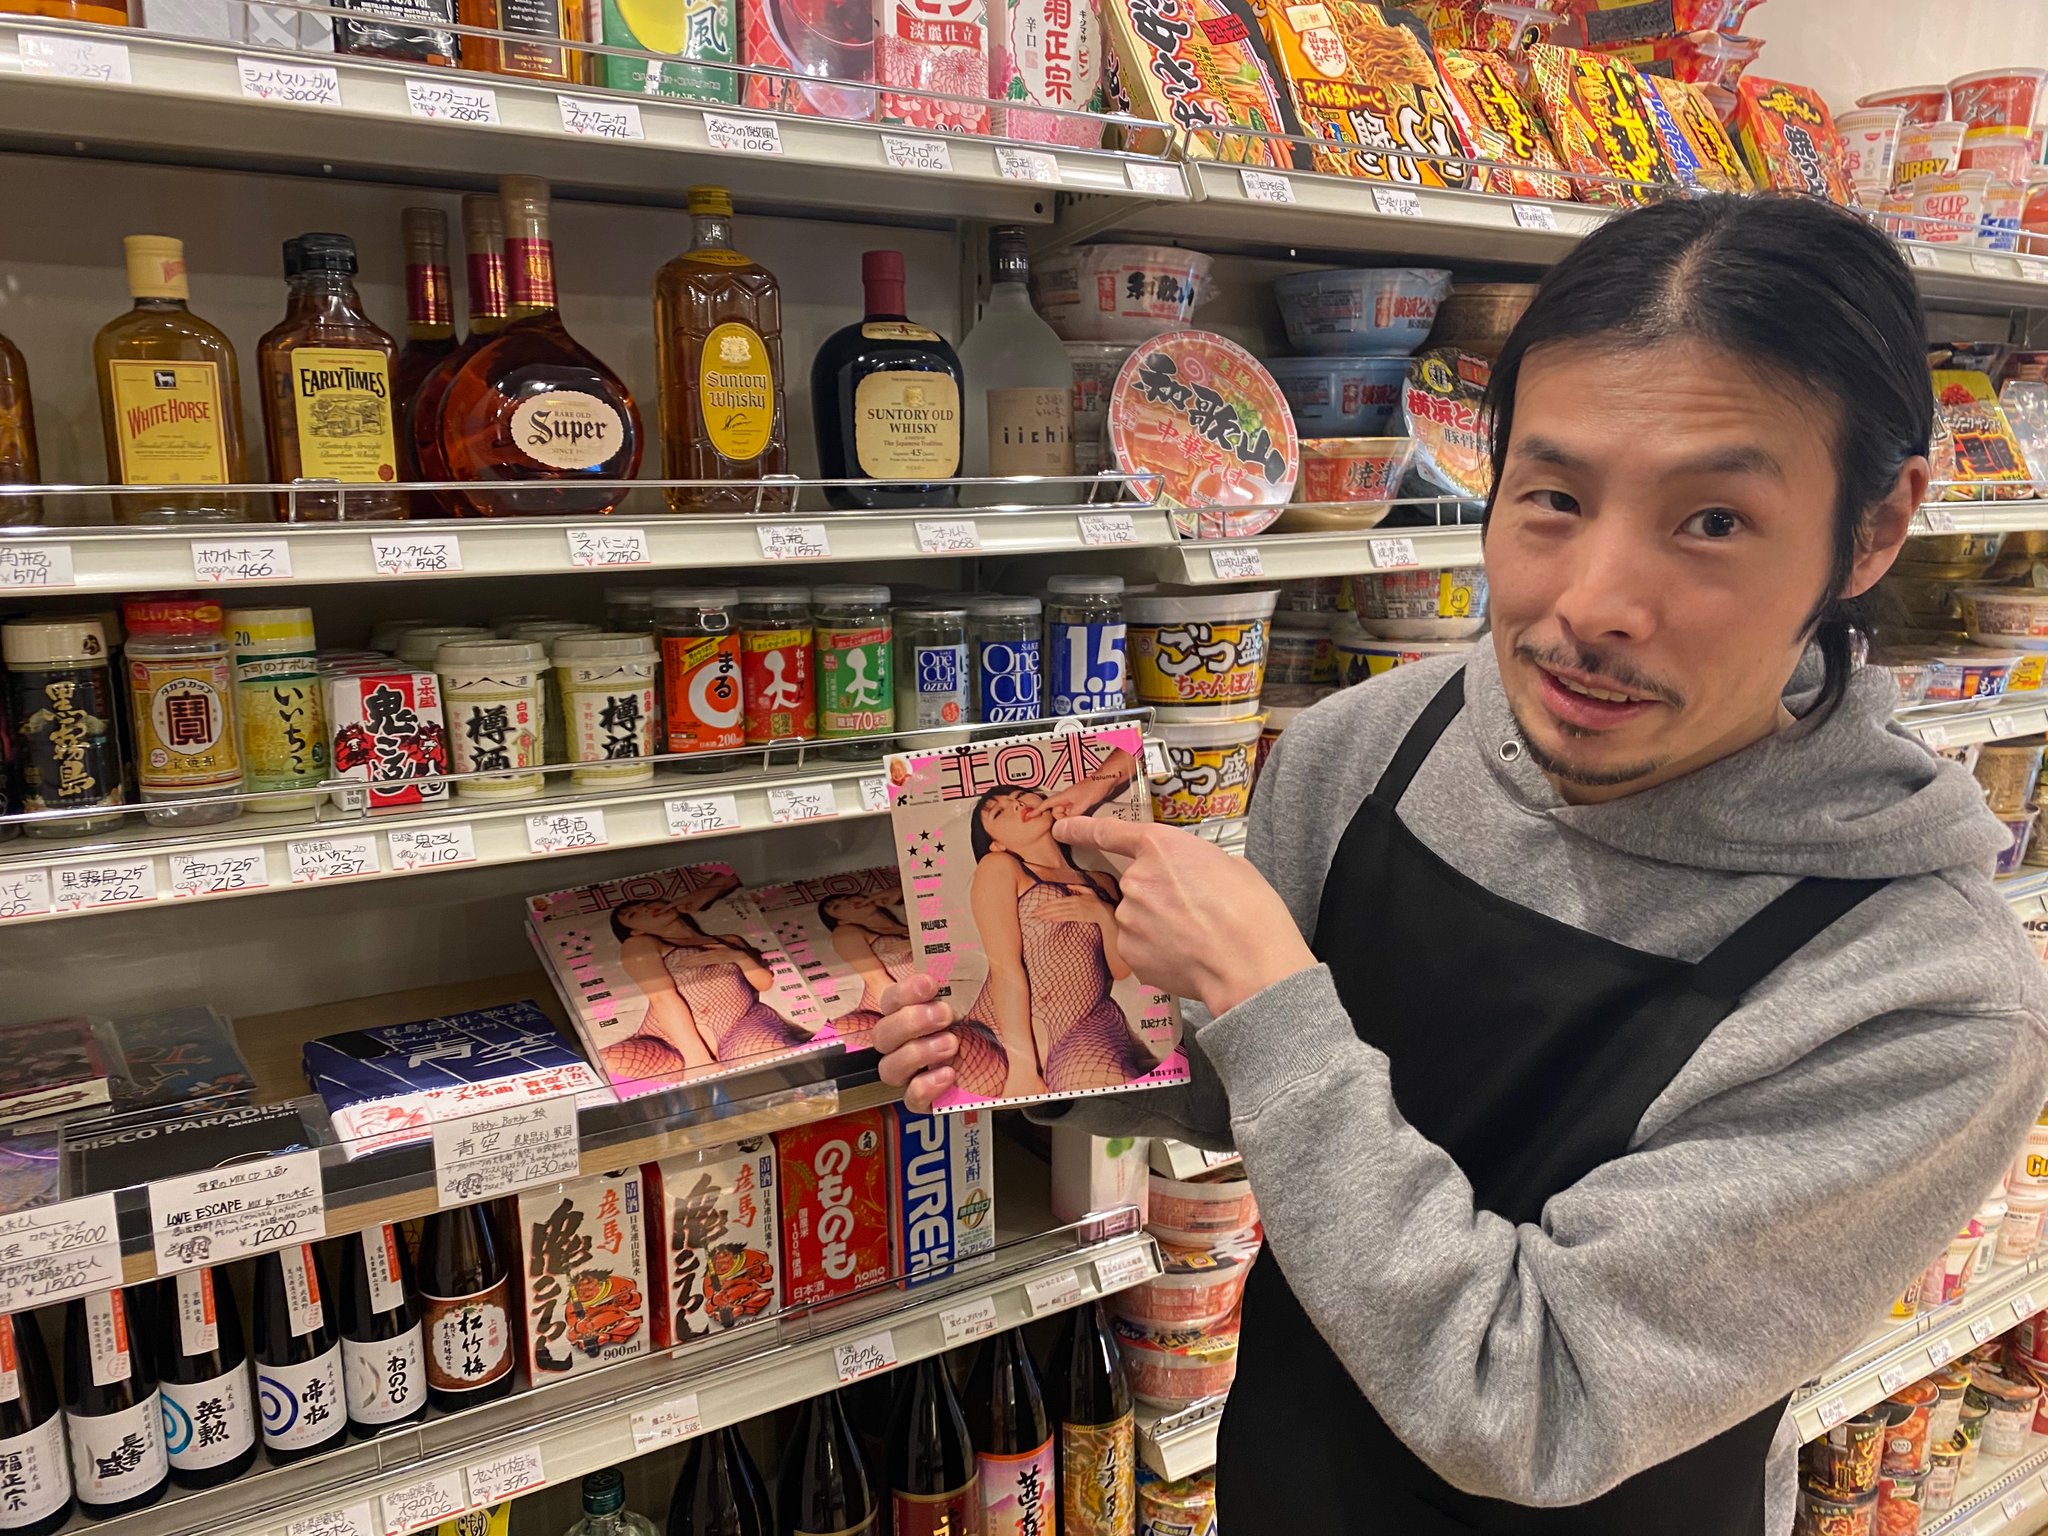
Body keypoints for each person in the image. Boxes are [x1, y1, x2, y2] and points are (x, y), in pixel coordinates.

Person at [871, 193, 2048, 1534]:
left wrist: (1265, 998)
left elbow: (1533, 1400)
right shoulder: (1370, 746)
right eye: (1552, 498)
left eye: (1713, 521)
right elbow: (1260, 1096)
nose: (1590, 604)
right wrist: (1027, 1044)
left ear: (1874, 527)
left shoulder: (1926, 996)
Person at [951, 781, 1161, 1097]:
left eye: (1020, 796)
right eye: (999, 812)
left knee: (1113, 1090)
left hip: (1084, 1028)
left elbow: (1120, 970)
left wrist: (1103, 914)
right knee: (952, 1071)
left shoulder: (1103, 882)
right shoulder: (999, 867)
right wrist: (1023, 1069)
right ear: (995, 844)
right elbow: (1005, 967)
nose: (1017, 805)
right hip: (995, 1031)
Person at [605, 875, 816, 1080]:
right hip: (667, 1042)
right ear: (635, 932)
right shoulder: (640, 944)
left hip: (740, 1027)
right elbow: (662, 997)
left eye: (645, 903)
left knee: (770, 1053)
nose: (644, 909)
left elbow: (763, 983)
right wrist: (697, 1059)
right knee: (610, 1062)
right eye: (632, 915)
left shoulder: (730, 941)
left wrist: (737, 956)